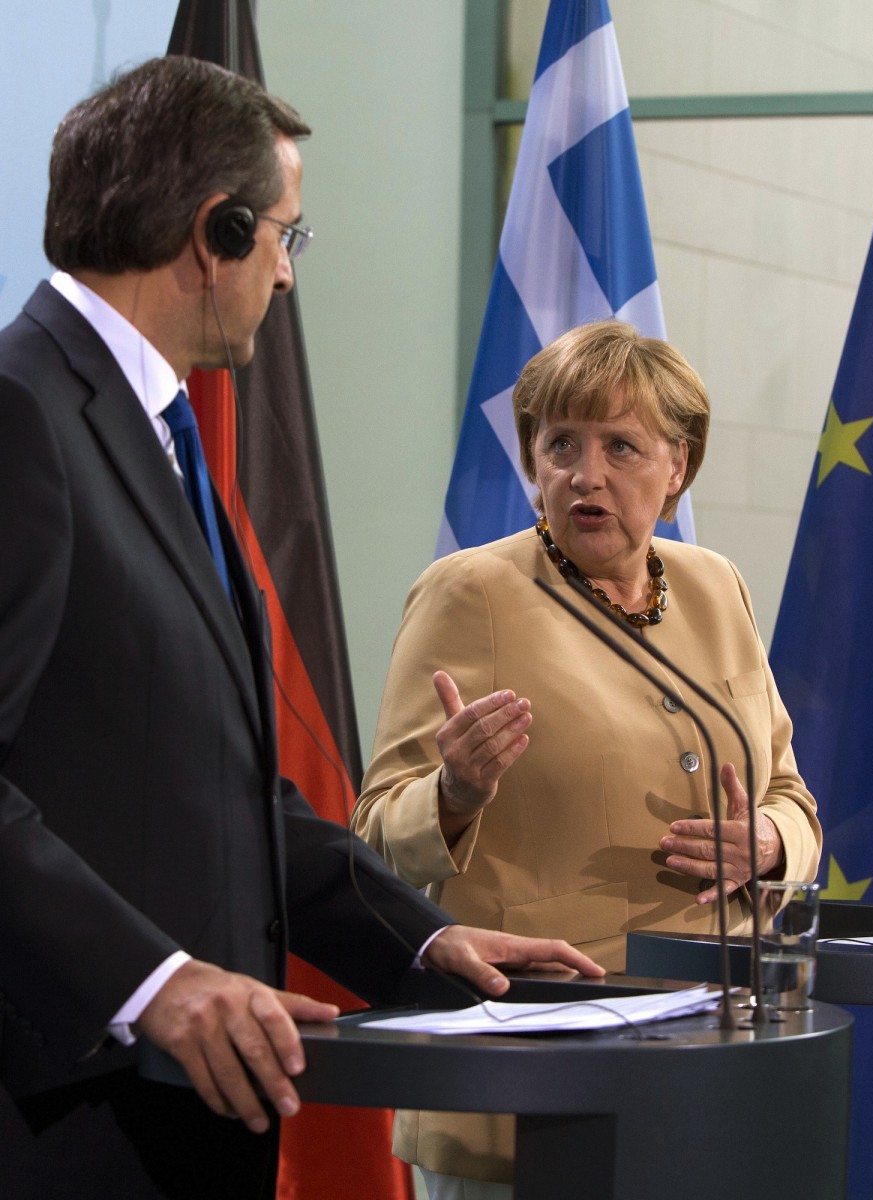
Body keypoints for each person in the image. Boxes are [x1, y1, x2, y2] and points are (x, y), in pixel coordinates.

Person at [0, 56, 604, 1200]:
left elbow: (233, 799)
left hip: (188, 1122)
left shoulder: (157, 432)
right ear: (211, 232)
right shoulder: (23, 412)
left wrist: (427, 943)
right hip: (66, 1126)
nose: (286, 273)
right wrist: (156, 982)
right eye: (284, 234)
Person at [351, 319, 822, 1199]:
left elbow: (792, 794)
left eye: (621, 446)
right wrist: (453, 793)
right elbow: (373, 836)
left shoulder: (717, 585)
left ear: (678, 467)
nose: (586, 473)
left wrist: (767, 843)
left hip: (717, 1073)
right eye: (559, 443)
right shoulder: (475, 592)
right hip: (537, 1083)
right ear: (531, 460)